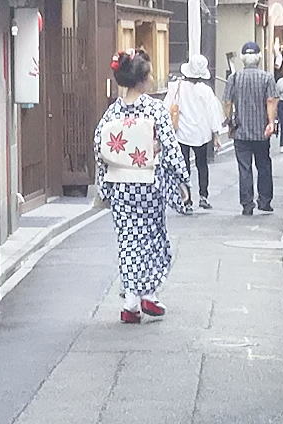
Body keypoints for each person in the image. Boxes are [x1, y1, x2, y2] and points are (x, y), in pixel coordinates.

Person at [94, 48, 190, 324]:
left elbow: (99, 147)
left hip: (122, 185)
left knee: (128, 240)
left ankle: (133, 300)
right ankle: (145, 292)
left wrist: (105, 181)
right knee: (152, 237)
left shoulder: (112, 112)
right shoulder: (154, 109)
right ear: (143, 79)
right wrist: (182, 180)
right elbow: (171, 148)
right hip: (149, 183)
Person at [223, 42, 279, 216]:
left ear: (242, 58)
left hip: (241, 130)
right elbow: (271, 100)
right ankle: (265, 201)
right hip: (262, 131)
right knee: (264, 165)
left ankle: (247, 204)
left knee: (244, 168)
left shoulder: (234, 77)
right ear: (259, 57)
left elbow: (226, 101)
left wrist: (229, 118)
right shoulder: (267, 77)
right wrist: (271, 122)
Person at [163, 54, 224, 211]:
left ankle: (186, 199)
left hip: (182, 132)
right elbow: (213, 113)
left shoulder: (177, 87)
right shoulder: (206, 90)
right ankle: (203, 195)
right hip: (202, 133)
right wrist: (216, 134)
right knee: (202, 164)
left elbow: (167, 107)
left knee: (184, 166)